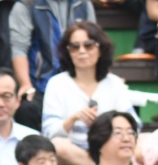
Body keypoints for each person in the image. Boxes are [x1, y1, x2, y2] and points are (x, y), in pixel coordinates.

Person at [41, 21, 137, 165]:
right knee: (58, 146)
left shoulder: (114, 83)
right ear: (68, 52)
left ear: (100, 49)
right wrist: (73, 119)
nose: (82, 51)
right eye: (75, 46)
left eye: (89, 45)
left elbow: (134, 125)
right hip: (76, 151)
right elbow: (48, 132)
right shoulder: (57, 83)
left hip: (112, 147)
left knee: (146, 141)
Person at [8, 0, 96, 132]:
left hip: (78, 82)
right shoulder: (26, 4)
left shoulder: (83, 3)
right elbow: (19, 48)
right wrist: (25, 84)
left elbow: (94, 42)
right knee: (26, 108)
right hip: (40, 84)